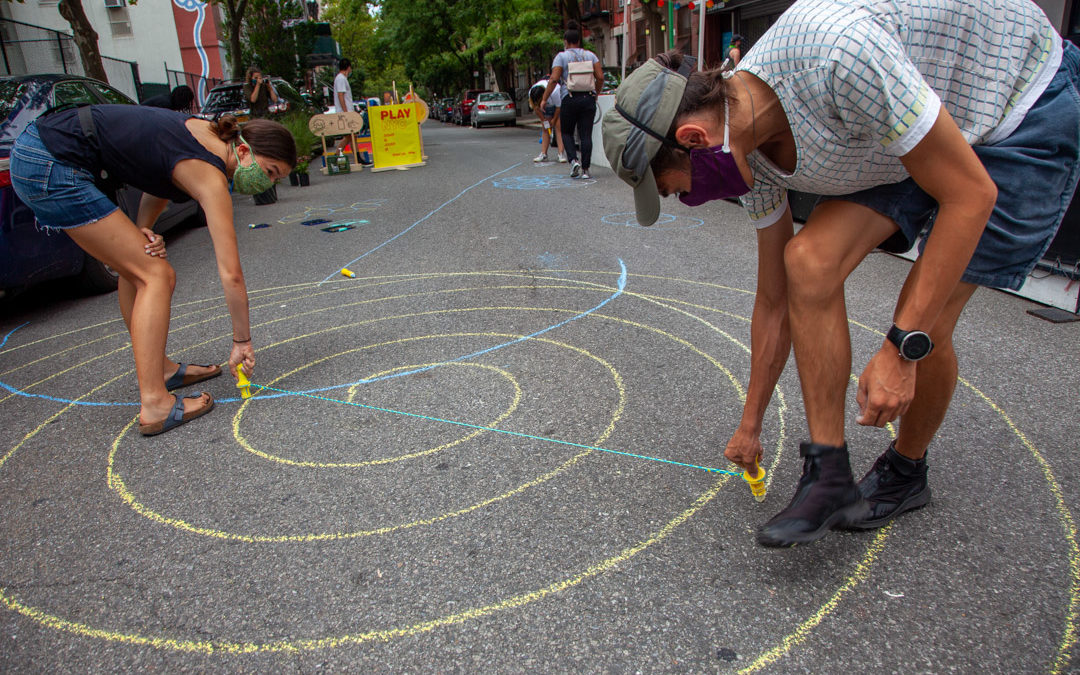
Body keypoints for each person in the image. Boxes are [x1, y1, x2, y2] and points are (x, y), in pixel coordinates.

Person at [601, 0, 1079, 547]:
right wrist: (751, 421)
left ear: (693, 140)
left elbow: (970, 193)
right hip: (909, 117)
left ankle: (906, 470)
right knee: (807, 261)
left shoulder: (836, 57)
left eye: (675, 190)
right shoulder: (746, 151)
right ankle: (828, 475)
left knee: (929, 321)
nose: (687, 201)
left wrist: (902, 350)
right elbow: (775, 298)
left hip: (1020, 105)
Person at [9, 105, 297, 436]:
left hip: (44, 149)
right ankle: (155, 402)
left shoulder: (205, 137)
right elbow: (231, 272)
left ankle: (160, 370)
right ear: (244, 150)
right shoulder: (210, 174)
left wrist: (142, 229)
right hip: (52, 161)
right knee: (156, 275)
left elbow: (157, 181)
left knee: (140, 266)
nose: (268, 182)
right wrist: (242, 340)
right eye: (270, 171)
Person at [540, 20, 603, 180]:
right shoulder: (590, 55)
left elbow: (554, 79)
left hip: (569, 98)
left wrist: (544, 98)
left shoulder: (561, 57)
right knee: (586, 135)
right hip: (588, 98)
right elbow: (600, 76)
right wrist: (596, 92)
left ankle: (574, 160)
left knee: (567, 132)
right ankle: (586, 169)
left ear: (566, 42)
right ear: (579, 41)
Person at [529, 78, 567, 163]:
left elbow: (558, 108)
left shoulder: (554, 91)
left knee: (558, 127)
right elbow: (536, 108)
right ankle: (544, 154)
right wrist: (544, 119)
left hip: (557, 105)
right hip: (546, 108)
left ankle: (561, 154)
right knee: (545, 129)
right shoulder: (532, 93)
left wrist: (553, 120)